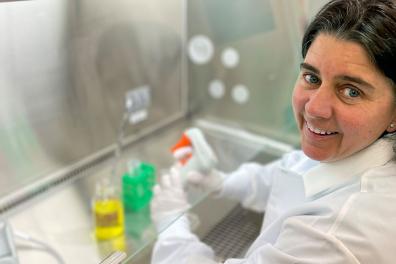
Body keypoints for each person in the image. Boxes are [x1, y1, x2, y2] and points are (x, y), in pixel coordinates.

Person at [150, 0, 396, 263]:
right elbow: (291, 173)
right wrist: (224, 183)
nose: (314, 109)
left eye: (351, 91)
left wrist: (171, 227)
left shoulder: (337, 236)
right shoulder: (352, 146)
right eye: (312, 78)